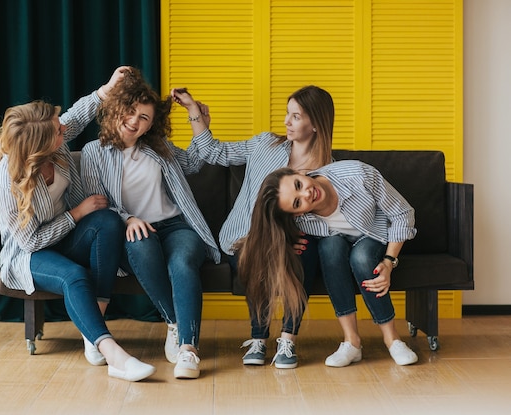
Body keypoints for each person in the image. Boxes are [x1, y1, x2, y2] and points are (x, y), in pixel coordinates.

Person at [0, 66, 156, 382]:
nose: (64, 129)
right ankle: (112, 352)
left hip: (65, 238)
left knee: (107, 220)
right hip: (29, 254)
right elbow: (30, 242)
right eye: (58, 130)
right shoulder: (5, 181)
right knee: (74, 275)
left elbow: (77, 116)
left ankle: (94, 330)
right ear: (38, 146)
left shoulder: (57, 142)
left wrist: (107, 89)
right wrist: (76, 214)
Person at [171, 86, 334, 368]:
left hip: (293, 240)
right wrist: (193, 111)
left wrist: (287, 238)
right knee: (252, 255)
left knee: (307, 251)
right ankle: (258, 337)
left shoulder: (329, 169)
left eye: (295, 116)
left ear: (316, 124)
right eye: (288, 113)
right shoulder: (265, 144)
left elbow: (327, 216)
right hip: (244, 236)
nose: (286, 121)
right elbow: (214, 152)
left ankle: (288, 339)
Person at [80, 68, 220, 379]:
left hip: (175, 226)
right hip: (132, 231)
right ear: (117, 109)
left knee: (183, 263)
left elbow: (197, 162)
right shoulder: (94, 153)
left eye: (144, 117)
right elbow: (97, 201)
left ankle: (188, 350)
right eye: (130, 112)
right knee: (139, 241)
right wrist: (127, 218)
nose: (135, 121)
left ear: (150, 124)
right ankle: (175, 322)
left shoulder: (160, 148)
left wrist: (196, 116)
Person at [240, 163, 419, 367]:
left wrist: (389, 261)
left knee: (361, 257)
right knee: (329, 248)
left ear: (299, 172)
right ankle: (352, 342)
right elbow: (269, 232)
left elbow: (402, 214)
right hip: (338, 244)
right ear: (297, 214)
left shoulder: (357, 175)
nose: (306, 194)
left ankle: (393, 339)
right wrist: (288, 242)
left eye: (299, 184)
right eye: (297, 203)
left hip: (374, 235)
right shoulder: (301, 220)